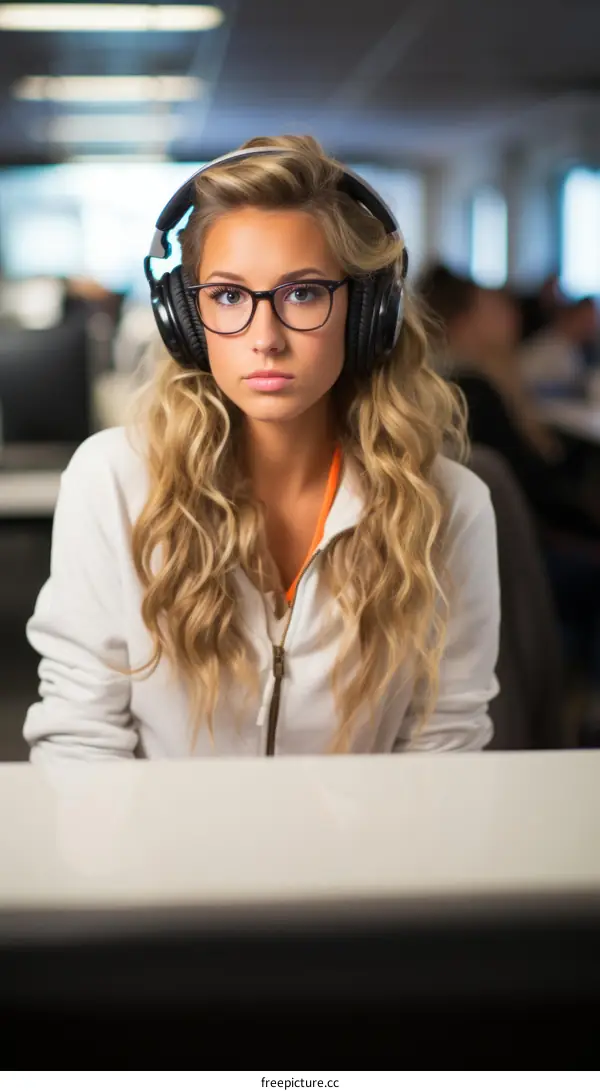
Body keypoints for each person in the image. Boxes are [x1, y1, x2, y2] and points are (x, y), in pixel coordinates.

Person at [23, 136, 500, 763]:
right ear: (185, 321)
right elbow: (80, 742)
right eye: (228, 296)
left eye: (302, 293)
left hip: (370, 859)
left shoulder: (448, 505)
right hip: (161, 857)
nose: (265, 338)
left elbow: (445, 744)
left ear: (366, 313)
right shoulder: (112, 481)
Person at [518, 296, 598, 401]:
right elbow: (524, 385)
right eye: (587, 320)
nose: (592, 326)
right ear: (573, 318)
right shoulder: (544, 347)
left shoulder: (575, 348)